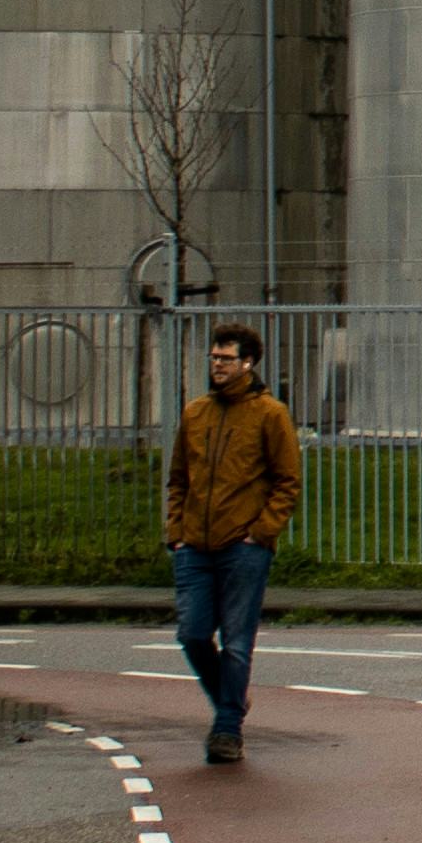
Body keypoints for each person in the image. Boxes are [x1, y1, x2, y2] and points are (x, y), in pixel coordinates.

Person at [165, 321, 302, 763]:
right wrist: (176, 533)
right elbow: (178, 478)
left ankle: (227, 729)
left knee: (237, 642)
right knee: (192, 634)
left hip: (243, 547)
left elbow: (287, 482)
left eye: (226, 358)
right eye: (214, 357)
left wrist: (260, 533)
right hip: (194, 546)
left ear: (248, 363)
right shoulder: (196, 413)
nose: (217, 365)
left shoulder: (270, 414)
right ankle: (232, 698)